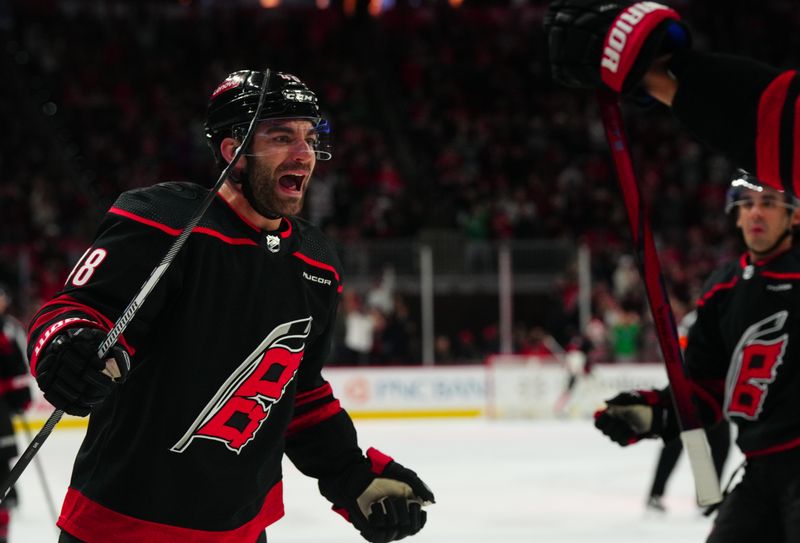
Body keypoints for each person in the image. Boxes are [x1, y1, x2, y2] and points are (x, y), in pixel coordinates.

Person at [26, 70, 434, 543]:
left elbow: (297, 390)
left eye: (309, 137)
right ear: (232, 151)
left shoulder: (317, 262)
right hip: (118, 526)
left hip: (241, 532)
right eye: (282, 136)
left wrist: (350, 476)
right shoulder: (163, 222)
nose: (303, 153)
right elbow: (72, 311)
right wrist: (68, 346)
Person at [544, 2, 800, 540]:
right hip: (760, 478)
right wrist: (655, 412)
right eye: (746, 203)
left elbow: (782, 125)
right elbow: (705, 389)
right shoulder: (725, 289)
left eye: (768, 203)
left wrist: (662, 70)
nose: (755, 213)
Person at [645, 311, 731, 514]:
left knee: (687, 442)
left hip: (692, 389)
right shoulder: (715, 317)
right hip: (700, 389)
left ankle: (659, 494)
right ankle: (706, 497)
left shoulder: (697, 319)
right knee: (706, 444)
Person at [0, 285, 32, 541]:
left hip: (1, 408)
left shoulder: (9, 329)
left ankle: (7, 491)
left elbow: (19, 368)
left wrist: (21, 396)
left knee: (3, 453)